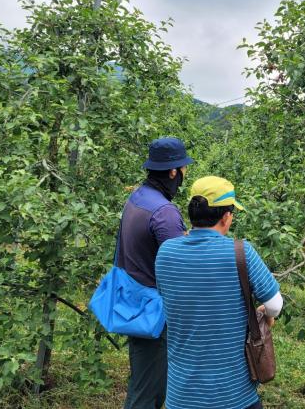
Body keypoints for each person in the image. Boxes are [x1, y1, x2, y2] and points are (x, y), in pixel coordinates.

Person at [155, 176, 283, 409]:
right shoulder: (241, 252)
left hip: (182, 396)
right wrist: (264, 312)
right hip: (234, 396)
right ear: (226, 216)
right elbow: (275, 305)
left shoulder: (166, 252)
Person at [117, 137, 194, 409]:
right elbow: (182, 267)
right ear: (173, 172)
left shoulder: (138, 197)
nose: (184, 174)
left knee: (145, 382)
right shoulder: (164, 212)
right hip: (155, 314)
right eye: (183, 169)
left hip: (135, 304)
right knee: (148, 393)